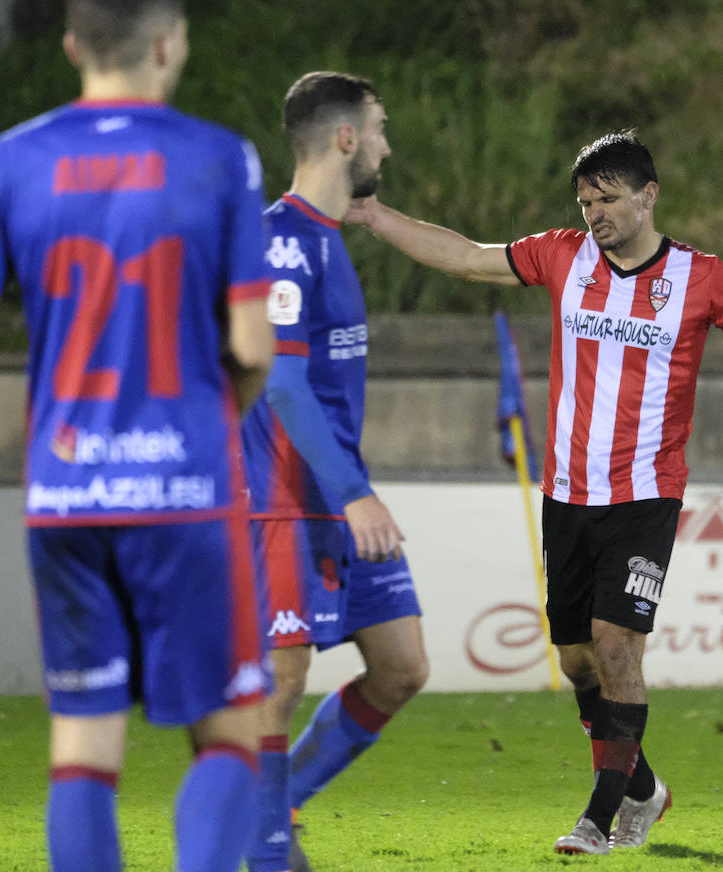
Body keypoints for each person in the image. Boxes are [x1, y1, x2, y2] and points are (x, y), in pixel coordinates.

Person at [345, 129, 723, 855]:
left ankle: (600, 817)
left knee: (617, 648)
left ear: (649, 195)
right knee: (576, 659)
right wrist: (376, 218)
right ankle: (643, 786)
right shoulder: (562, 255)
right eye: (584, 202)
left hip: (645, 495)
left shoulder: (704, 280)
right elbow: (469, 258)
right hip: (568, 496)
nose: (594, 214)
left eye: (608, 199)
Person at [0, 2, 275, 870]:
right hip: (183, 497)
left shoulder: (11, 160)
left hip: (64, 499)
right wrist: (212, 417)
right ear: (170, 42)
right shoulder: (219, 158)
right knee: (231, 737)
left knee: (82, 753)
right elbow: (252, 345)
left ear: (70, 47)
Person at [240, 71, 429, 872]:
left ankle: (272, 809)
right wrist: (353, 494)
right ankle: (267, 850)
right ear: (345, 138)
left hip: (336, 495)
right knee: (281, 683)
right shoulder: (281, 241)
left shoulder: (324, 238)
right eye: (379, 128)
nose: (386, 143)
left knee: (400, 668)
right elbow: (279, 382)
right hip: (290, 498)